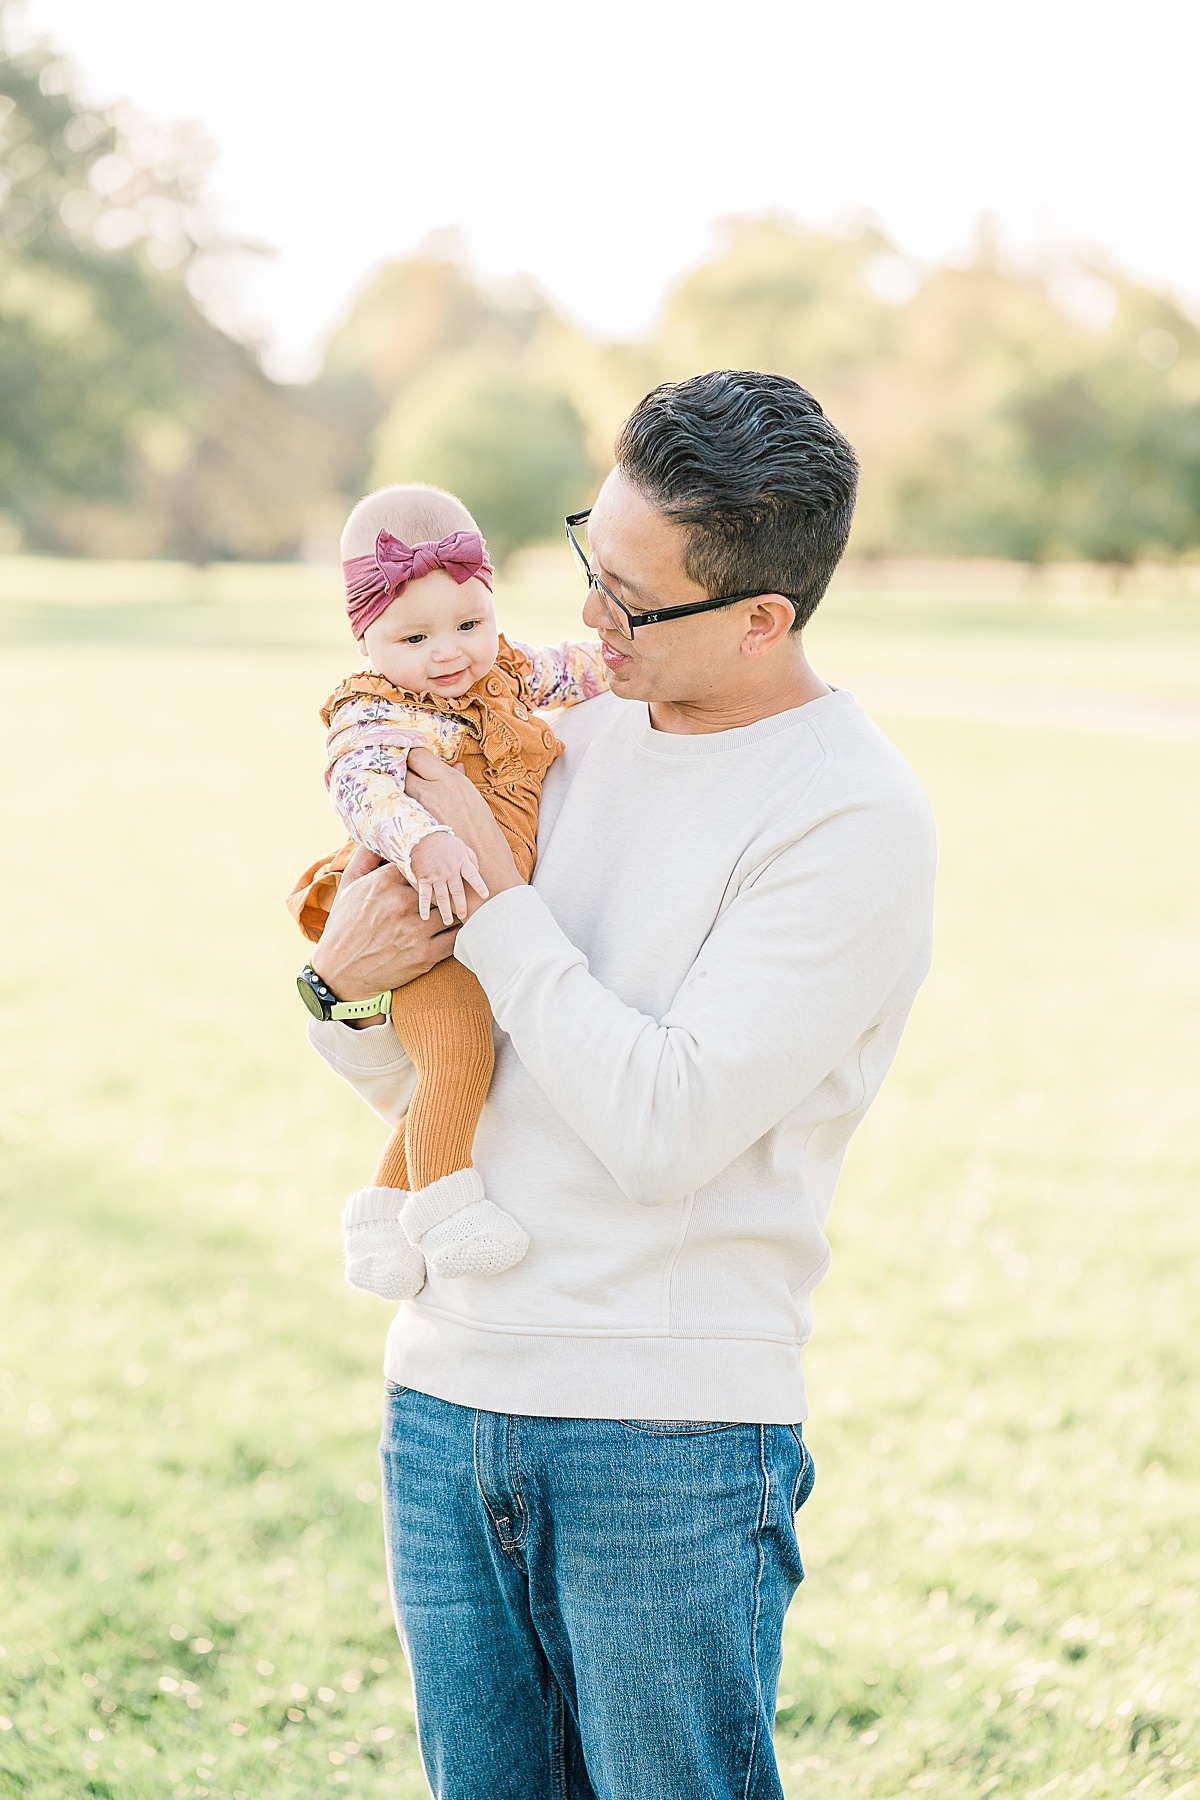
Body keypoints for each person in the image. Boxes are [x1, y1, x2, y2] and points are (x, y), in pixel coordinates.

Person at [299, 370, 937, 1800]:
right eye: (592, 562)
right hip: (442, 1401)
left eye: (632, 603)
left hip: (665, 1443)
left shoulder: (849, 815)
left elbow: (660, 1129)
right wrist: (338, 988)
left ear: (764, 616)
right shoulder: (547, 732)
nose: (582, 623)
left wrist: (495, 890)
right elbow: (449, 1070)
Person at [290, 482, 606, 1290]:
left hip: (482, 916)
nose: (449, 653)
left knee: (448, 1071)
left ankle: (379, 1219)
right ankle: (445, 1205)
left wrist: (625, 670)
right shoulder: (375, 713)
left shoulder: (503, 674)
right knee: (461, 1051)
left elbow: (579, 670)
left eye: (470, 623)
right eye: (414, 636)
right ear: (366, 641)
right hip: (425, 924)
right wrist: (423, 837)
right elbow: (361, 789)